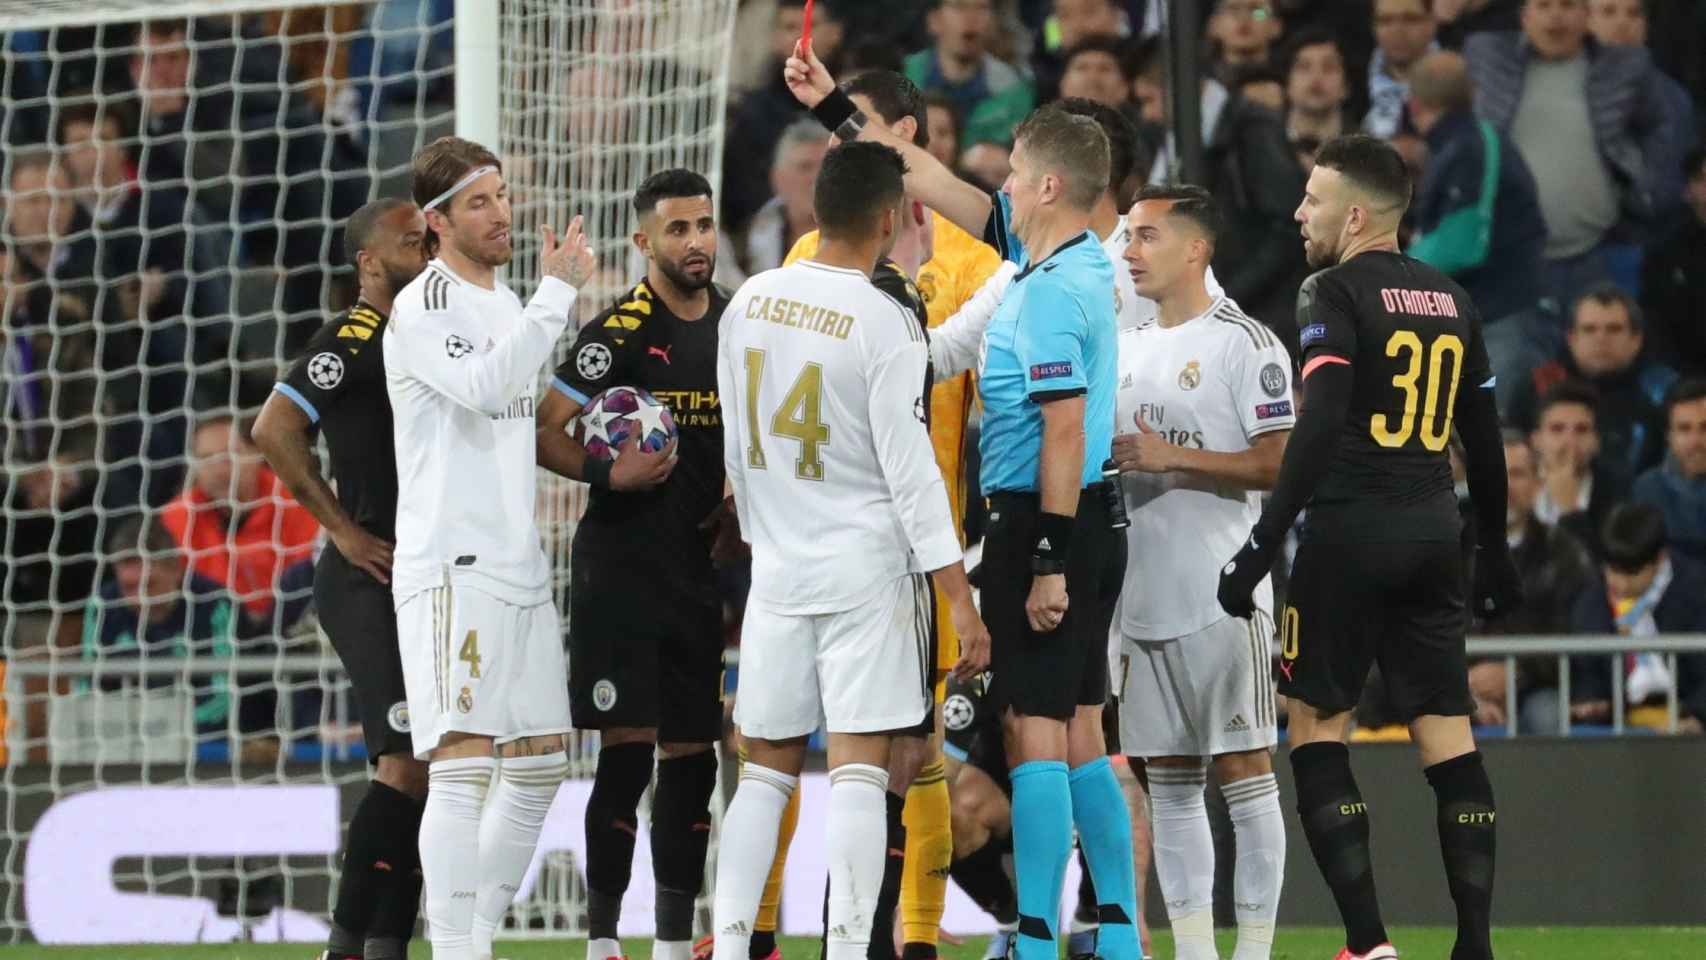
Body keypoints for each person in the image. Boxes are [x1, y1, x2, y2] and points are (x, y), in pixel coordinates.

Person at [786, 47, 1142, 960]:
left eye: (1016, 173)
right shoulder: (1051, 260)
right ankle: (1116, 931)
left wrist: (1050, 558)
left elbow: (1064, 432)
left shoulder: (1059, 285)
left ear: (1051, 182)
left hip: (1048, 521)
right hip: (1082, 516)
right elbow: (920, 174)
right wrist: (833, 107)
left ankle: (1035, 935)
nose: (1001, 186)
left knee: (1036, 728)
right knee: (1084, 727)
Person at [1216, 135, 1521, 960]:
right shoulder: (1454, 300)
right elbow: (1484, 443)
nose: (1297, 213)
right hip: (1433, 533)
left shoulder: (1331, 291)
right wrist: (1492, 548)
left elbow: (1319, 420)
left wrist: (1263, 542)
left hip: (1348, 533)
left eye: (1311, 199)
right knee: (1448, 737)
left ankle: (1369, 944)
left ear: (1355, 214)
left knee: (1317, 729)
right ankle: (1476, 945)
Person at [709, 141, 990, 960]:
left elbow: (739, 449)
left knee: (764, 772)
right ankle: (843, 950)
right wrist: (959, 601)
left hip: (779, 572)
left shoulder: (749, 300)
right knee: (862, 774)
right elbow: (913, 479)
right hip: (867, 571)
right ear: (891, 216)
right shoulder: (884, 317)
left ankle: (730, 948)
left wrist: (763, 538)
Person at [771, 69, 1005, 960]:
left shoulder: (972, 259)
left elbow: (1001, 408)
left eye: (854, 127)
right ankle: (793, 935)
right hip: (825, 543)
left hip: (923, 550)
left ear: (904, 132)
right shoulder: (806, 254)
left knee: (916, 755)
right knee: (825, 754)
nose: (837, 142)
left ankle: (907, 941)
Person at [383, 136, 596, 960]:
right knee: (462, 766)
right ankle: (457, 953)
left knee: (542, 761)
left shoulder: (509, 305)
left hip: (518, 566)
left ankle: (473, 938)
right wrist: (556, 296)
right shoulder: (426, 306)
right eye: (478, 202)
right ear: (436, 223)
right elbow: (487, 387)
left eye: (502, 195)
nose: (501, 212)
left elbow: (522, 405)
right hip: (451, 568)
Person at [533, 169, 727, 960]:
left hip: (697, 569)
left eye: (706, 225)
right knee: (626, 751)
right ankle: (604, 941)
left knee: (693, 755)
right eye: (678, 230)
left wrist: (741, 498)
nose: (697, 243)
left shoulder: (736, 324)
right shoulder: (617, 330)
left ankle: (674, 944)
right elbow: (547, 428)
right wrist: (609, 473)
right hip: (620, 568)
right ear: (644, 242)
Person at [1113, 184, 1291, 960]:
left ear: (1197, 249)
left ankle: (1251, 952)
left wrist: (1172, 456)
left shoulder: (1244, 344)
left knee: (1245, 771)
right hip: (1141, 594)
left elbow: (1282, 466)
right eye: (1128, 237)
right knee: (1172, 779)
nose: (1130, 251)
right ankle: (1194, 953)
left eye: (1148, 236)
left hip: (1224, 591)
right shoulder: (1124, 344)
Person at [251, 198, 430, 960]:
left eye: (428, 237)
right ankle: (347, 944)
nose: (423, 248)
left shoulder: (427, 336)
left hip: (420, 575)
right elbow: (273, 427)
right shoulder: (353, 336)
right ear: (367, 261)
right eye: (408, 241)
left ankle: (387, 944)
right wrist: (343, 530)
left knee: (428, 771)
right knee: (403, 763)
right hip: (365, 578)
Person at [1464, 0, 1692, 309]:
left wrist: (1646, 191)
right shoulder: (1487, 62)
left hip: (1602, 252)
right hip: (1506, 255)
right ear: (1525, 16)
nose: (1556, 15)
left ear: (1586, 16)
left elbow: (1664, 126)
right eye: (1544, 5)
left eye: (1568, 5)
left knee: (1606, 349)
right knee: (1514, 356)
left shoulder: (1624, 72)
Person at [1404, 49, 1550, 417]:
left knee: (1487, 436)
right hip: (1483, 316)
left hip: (1498, 316)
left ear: (1414, 105)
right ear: (1472, 92)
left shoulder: (1471, 147)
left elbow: (1460, 244)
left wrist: (1389, 273)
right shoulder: (1468, 143)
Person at [1465, 431, 1594, 734]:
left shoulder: (1566, 552)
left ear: (1538, 485)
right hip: (1458, 685)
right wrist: (1465, 684)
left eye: (1517, 474)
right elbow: (1429, 629)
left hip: (1538, 687)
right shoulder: (1447, 550)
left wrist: (1515, 672)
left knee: (1549, 717)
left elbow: (1575, 635)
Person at [160, 414, 319, 636]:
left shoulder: (296, 501)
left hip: (286, 628)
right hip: (212, 630)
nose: (218, 470)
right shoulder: (177, 516)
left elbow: (306, 580)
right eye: (206, 458)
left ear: (256, 453)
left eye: (227, 457)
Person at [79, 516, 236, 736]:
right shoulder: (102, 605)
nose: (138, 599)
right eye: (128, 587)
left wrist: (166, 727)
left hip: (203, 741)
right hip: (121, 736)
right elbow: (85, 688)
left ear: (176, 570)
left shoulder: (214, 604)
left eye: (148, 585)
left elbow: (224, 696)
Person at [1508, 286, 1675, 487]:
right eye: (1589, 329)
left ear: (1636, 339)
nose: (1601, 338)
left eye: (1613, 329)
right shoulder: (1537, 385)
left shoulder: (1663, 389)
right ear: (1571, 338)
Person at [1568, 502, 1706, 733]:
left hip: (1689, 727)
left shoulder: (1697, 591)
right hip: (1619, 730)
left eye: (1631, 574)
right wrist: (1592, 701)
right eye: (1612, 570)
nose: (1619, 585)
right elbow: (1586, 671)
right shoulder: (1592, 599)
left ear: (1660, 559)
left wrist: (1698, 717)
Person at [903, 0, 1036, 148]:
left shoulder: (1014, 91)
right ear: (934, 20)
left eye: (982, 8)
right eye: (959, 6)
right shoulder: (901, 77)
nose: (971, 18)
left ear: (993, 22)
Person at [1639, 148, 1706, 376]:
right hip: (1689, 381)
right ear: (1687, 191)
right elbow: (1656, 329)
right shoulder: (1665, 253)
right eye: (1702, 179)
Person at [1632, 379, 1706, 564]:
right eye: (1684, 429)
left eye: (1705, 428)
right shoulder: (1646, 490)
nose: (1695, 441)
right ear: (1669, 436)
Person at [1364, 0, 1437, 138]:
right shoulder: (1354, 87)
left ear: (1432, 23)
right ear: (1374, 27)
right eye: (1386, 20)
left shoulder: (1458, 80)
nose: (1397, 30)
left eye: (1410, 19)